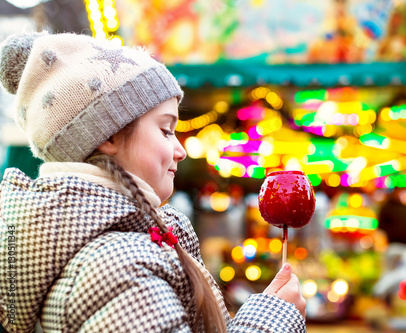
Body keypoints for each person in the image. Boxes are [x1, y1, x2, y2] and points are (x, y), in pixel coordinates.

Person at [0, 32, 306, 333]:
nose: (181, 150)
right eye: (165, 130)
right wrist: (272, 321)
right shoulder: (117, 269)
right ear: (109, 135)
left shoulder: (112, 250)